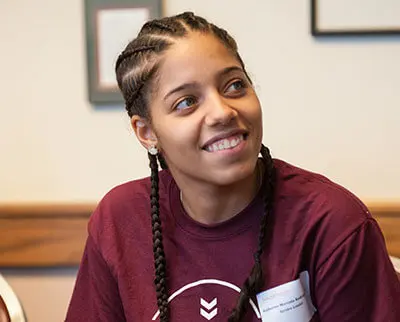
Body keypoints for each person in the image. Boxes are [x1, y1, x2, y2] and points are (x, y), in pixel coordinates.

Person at [65, 12, 400, 322]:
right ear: (148, 133)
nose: (223, 112)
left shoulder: (332, 224)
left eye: (235, 85)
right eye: (186, 102)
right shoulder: (118, 222)